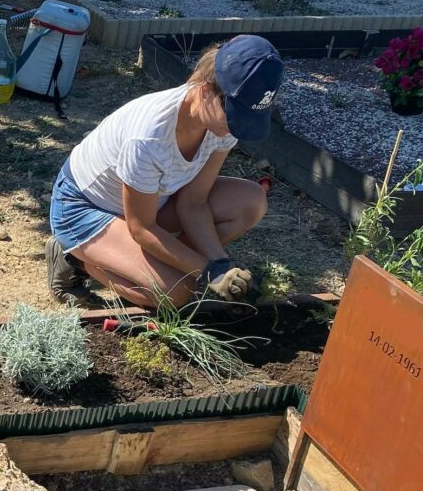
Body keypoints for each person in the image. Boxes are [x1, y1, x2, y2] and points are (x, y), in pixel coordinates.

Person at [46, 34, 283, 308]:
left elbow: (194, 203)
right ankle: (75, 259)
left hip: (150, 203)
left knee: (250, 202)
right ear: (205, 90)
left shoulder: (222, 124)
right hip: (85, 208)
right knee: (176, 294)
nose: (236, 126)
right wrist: (206, 271)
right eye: (233, 115)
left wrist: (220, 265)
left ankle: (153, 265)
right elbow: (142, 228)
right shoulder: (149, 138)